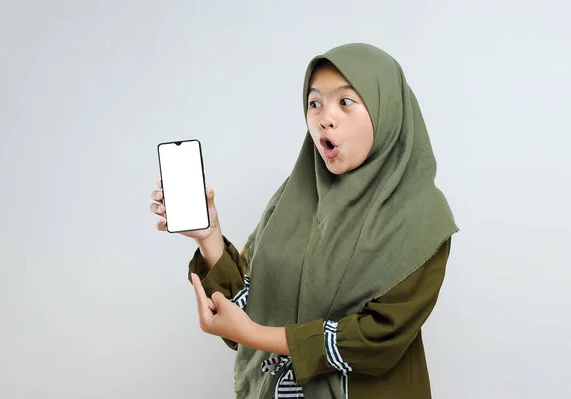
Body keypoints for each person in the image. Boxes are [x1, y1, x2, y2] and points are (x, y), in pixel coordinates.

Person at [150, 43, 458, 398]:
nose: (325, 117)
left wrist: (255, 336)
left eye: (345, 102)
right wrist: (209, 238)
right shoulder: (292, 202)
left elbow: (379, 339)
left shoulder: (421, 217)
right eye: (315, 103)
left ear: (386, 110)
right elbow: (252, 307)